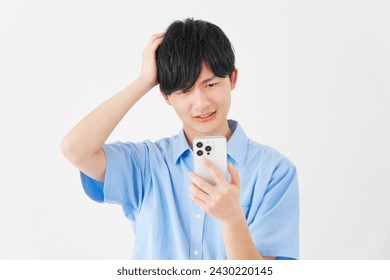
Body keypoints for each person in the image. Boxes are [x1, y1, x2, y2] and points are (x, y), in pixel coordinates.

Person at [61, 18, 299, 260]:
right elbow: (75, 149)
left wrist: (232, 219)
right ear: (166, 96)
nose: (201, 103)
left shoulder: (274, 171)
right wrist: (144, 81)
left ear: (233, 79)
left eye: (211, 84)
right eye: (184, 90)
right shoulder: (146, 164)